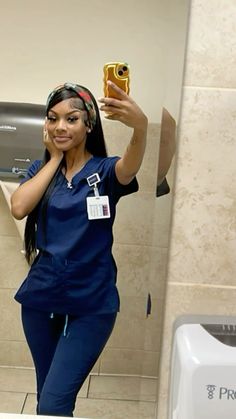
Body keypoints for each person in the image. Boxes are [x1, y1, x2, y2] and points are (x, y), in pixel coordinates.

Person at [10, 81, 147, 417]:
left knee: (54, 403)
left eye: (71, 119)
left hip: (91, 303)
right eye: (53, 118)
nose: (60, 126)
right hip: (41, 301)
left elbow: (129, 167)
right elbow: (18, 207)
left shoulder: (104, 172)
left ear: (88, 124)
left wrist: (140, 126)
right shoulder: (42, 172)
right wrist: (55, 158)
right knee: (47, 398)